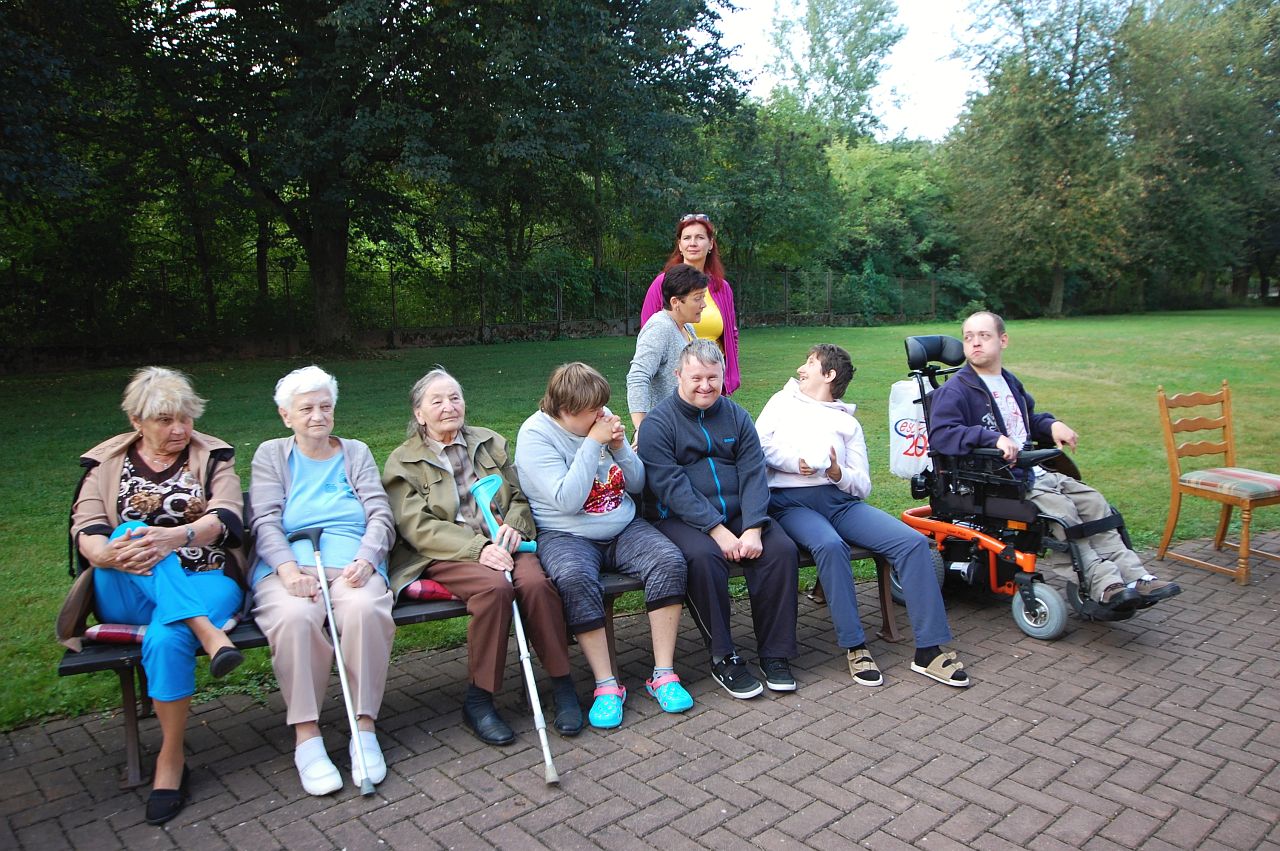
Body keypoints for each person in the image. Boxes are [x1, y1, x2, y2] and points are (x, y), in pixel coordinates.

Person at [65, 367, 245, 825]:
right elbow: (87, 531)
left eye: (185, 418)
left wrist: (175, 537)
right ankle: (208, 633)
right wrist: (111, 552)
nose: (179, 429)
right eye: (165, 420)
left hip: (206, 578)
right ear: (136, 421)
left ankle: (170, 758)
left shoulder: (213, 456)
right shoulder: (105, 464)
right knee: (130, 532)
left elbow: (227, 518)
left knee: (166, 637)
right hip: (125, 585)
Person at [928, 311, 1182, 612]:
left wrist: (1050, 425)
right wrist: (990, 438)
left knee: (1094, 503)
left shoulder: (1008, 381)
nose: (975, 343)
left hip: (1034, 471)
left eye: (984, 336)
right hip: (998, 480)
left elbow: (1025, 421)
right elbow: (942, 435)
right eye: (969, 337)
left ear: (1003, 340)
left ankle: (1135, 577)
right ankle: (1104, 584)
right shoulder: (956, 390)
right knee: (1063, 513)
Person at [382, 368, 582, 745]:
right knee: (494, 590)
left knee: (536, 584)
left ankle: (562, 684)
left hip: (504, 541)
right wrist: (479, 549)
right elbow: (417, 528)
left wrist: (515, 528)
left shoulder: (489, 443)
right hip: (447, 552)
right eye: (437, 401)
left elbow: (520, 496)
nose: (448, 406)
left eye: (454, 398)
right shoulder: (403, 462)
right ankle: (479, 699)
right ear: (419, 414)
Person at [756, 345, 970, 688]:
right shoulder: (781, 403)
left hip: (841, 503)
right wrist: (796, 462)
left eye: (809, 363)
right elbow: (759, 446)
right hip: (790, 503)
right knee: (830, 545)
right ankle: (855, 646)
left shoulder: (846, 422)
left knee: (913, 543)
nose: (800, 368)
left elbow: (863, 484)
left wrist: (838, 472)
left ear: (829, 375)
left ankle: (928, 651)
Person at [516, 363, 691, 729]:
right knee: (574, 577)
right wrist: (593, 444)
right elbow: (566, 500)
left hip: (622, 525)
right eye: (592, 411)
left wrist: (620, 448)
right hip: (566, 533)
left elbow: (637, 483)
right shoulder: (535, 436)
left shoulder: (598, 417)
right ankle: (606, 684)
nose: (601, 415)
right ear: (566, 410)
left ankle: (663, 674)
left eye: (601, 408)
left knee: (668, 560)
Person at [249, 366, 396, 796]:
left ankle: (363, 727)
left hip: (352, 565)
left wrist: (367, 559)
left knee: (365, 609)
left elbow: (380, 514)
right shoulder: (271, 455)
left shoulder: (356, 452)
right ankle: (307, 736)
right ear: (286, 416)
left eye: (325, 406)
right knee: (295, 618)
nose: (318, 416)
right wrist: (287, 570)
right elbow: (264, 520)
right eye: (306, 408)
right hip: (292, 569)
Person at [638, 339, 799, 699]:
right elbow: (671, 487)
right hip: (678, 518)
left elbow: (754, 472)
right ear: (678, 375)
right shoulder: (658, 424)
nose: (705, 386)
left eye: (713, 378)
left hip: (740, 514)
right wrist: (717, 530)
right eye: (696, 378)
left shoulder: (736, 416)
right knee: (704, 558)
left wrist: (754, 527)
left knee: (780, 550)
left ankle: (775, 654)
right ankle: (723, 656)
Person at [640, 213, 741, 396]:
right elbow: (648, 332)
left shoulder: (722, 288)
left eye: (700, 237)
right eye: (687, 238)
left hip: (712, 385)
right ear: (680, 245)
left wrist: (727, 375)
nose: (693, 243)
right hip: (674, 388)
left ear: (711, 244)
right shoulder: (662, 283)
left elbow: (731, 335)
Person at [627, 263, 707, 435]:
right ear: (675, 302)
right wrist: (643, 429)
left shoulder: (687, 327)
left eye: (703, 297)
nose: (704, 304)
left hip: (686, 428)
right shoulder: (660, 328)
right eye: (697, 298)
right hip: (664, 431)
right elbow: (637, 377)